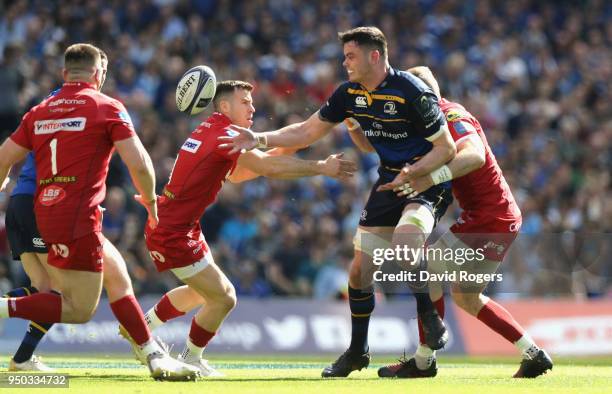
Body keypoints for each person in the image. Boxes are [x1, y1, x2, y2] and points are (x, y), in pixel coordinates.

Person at [218, 26, 457, 377]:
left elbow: (447, 149)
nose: (345, 63)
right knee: (359, 272)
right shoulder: (348, 94)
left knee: (407, 240)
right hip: (390, 180)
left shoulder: (412, 91)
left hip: (425, 182)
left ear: (374, 56)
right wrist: (258, 137)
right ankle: (358, 352)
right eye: (344, 56)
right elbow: (305, 131)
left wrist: (415, 173)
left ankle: (430, 318)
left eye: (351, 56)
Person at [127, 79, 357, 377]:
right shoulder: (227, 134)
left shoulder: (214, 130)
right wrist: (320, 167)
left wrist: (292, 146)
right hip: (173, 232)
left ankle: (141, 329)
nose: (253, 107)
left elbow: (241, 173)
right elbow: (266, 168)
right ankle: (189, 356)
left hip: (175, 225)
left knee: (201, 294)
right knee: (224, 298)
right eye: (245, 102)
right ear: (225, 106)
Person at [0, 43, 198, 380]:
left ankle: (152, 354)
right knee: (76, 307)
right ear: (98, 74)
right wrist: (151, 201)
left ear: (64, 74)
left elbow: (4, 156)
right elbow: (139, 162)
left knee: (115, 275)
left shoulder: (39, 110)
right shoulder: (106, 107)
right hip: (73, 215)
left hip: (34, 204)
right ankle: (6, 312)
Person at [356, 66, 553, 378]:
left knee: (430, 267)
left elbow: (473, 155)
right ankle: (533, 353)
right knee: (466, 295)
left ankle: (424, 360)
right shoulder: (430, 123)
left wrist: (431, 177)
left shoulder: (450, 115)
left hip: (489, 217)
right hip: (497, 216)